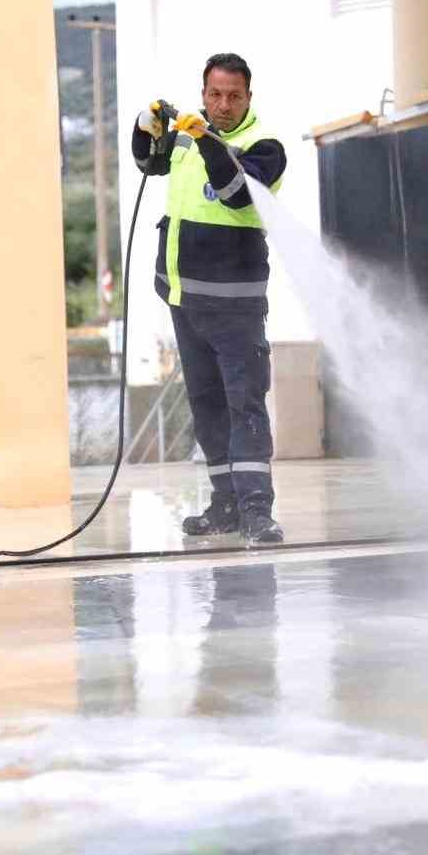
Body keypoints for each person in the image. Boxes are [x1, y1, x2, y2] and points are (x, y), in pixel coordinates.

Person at [132, 53, 287, 545]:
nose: (223, 105)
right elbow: (149, 163)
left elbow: (234, 191)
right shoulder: (186, 135)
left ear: (248, 97)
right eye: (215, 95)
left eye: (233, 96)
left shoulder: (265, 146)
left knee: (245, 405)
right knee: (207, 407)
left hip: (236, 306)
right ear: (203, 94)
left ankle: (256, 511)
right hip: (185, 300)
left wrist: (206, 139)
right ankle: (224, 505)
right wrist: (146, 126)